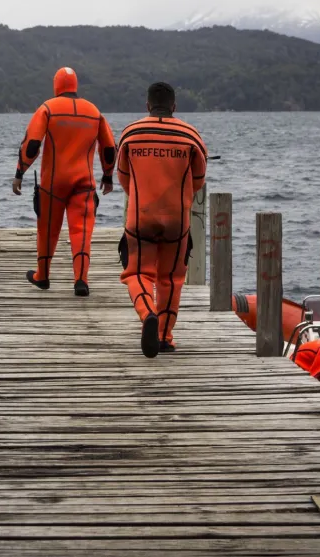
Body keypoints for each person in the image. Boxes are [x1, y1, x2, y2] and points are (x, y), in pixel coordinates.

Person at [116, 81, 207, 357]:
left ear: (147, 106)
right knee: (172, 278)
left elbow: (123, 176)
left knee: (136, 273)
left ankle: (147, 315)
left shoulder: (131, 133)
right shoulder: (190, 135)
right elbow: (199, 179)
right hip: (177, 220)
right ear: (174, 107)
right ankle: (165, 336)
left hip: (140, 216)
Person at [12, 67, 116, 296]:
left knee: (47, 229)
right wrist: (108, 176)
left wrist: (20, 172)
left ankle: (43, 276)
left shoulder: (48, 108)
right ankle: (81, 280)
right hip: (84, 183)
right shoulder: (94, 111)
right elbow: (109, 147)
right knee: (81, 230)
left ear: (56, 84)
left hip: (53, 183)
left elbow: (32, 144)